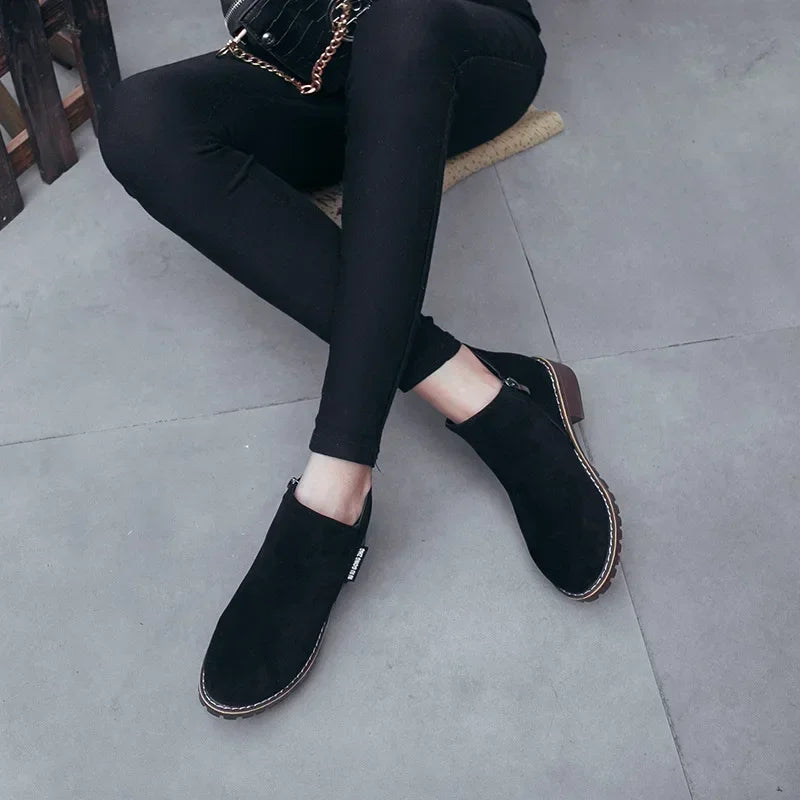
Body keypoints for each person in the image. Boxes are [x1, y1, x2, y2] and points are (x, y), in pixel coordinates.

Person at [98, 0, 620, 719]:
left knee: (403, 20)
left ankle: (336, 485)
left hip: (448, 43)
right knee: (139, 118)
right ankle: (482, 391)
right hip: (302, 55)